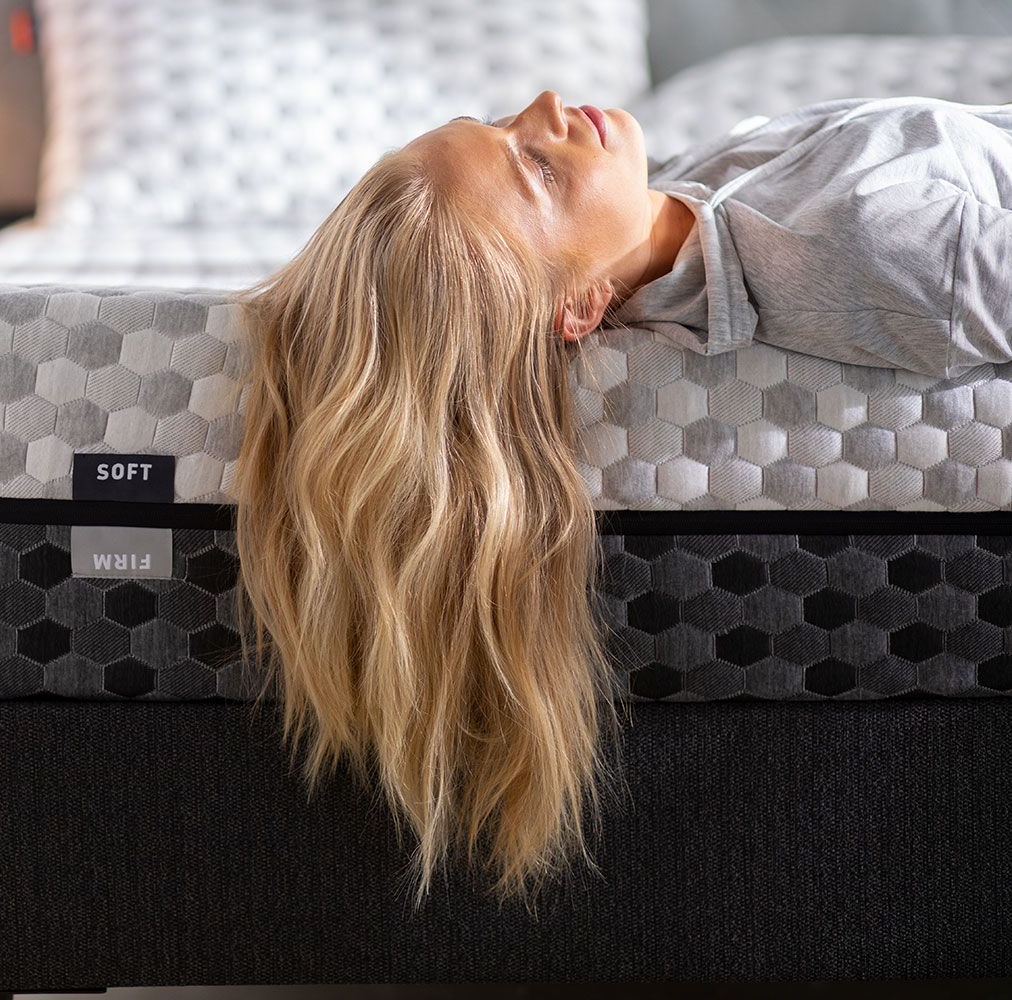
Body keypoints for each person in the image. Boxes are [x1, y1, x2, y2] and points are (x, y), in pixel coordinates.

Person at [226, 89, 1012, 911]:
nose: (544, 105)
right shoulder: (891, 249)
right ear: (581, 308)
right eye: (534, 167)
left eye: (493, 123)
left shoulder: (668, 207)